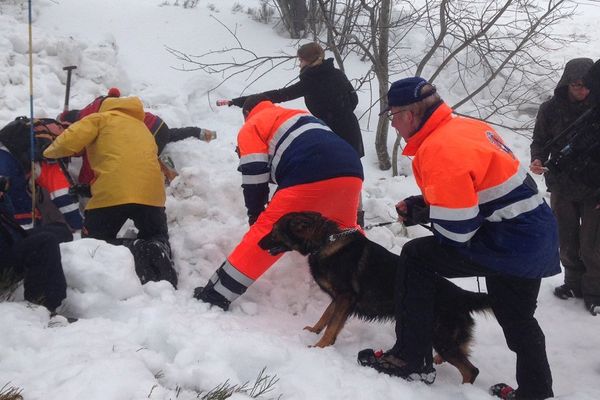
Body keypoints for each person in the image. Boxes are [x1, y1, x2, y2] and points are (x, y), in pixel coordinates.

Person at [357, 77, 559, 400]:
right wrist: (423, 207)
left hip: (508, 241)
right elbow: (475, 193)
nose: (392, 123)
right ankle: (536, 392)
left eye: (392, 115)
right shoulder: (464, 128)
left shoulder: (441, 148)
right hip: (534, 235)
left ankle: (411, 358)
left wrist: (424, 215)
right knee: (517, 317)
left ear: (409, 114)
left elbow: (456, 233)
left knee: (416, 257)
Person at [193, 95, 363, 311]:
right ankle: (373, 286)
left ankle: (216, 295)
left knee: (270, 233)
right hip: (351, 170)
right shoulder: (297, 115)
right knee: (347, 236)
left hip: (310, 170)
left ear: (246, 113)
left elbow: (254, 173)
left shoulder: (252, 124)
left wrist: (255, 213)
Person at [220, 42, 365, 225]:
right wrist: (340, 111)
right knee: (351, 173)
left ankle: (329, 216)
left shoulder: (311, 79)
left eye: (300, 60)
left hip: (325, 132)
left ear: (307, 61)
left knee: (328, 172)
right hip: (349, 127)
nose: (299, 64)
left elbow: (281, 94)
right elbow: (354, 99)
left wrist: (242, 101)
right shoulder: (337, 74)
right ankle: (356, 218)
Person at [43, 96, 178, 288]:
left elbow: (68, 141)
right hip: (152, 195)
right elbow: (130, 167)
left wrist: (47, 151)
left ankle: (135, 249)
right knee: (157, 237)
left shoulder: (101, 118)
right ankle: (164, 281)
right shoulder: (142, 129)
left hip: (114, 194)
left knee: (95, 244)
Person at [530, 57, 600, 316]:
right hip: (561, 184)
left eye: (586, 85)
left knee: (593, 244)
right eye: (576, 85)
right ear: (566, 84)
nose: (582, 90)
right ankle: (573, 283)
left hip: (595, 188)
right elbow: (539, 140)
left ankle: (595, 292)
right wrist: (537, 158)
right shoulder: (550, 109)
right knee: (566, 240)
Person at [58, 87, 217, 187]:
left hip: (145, 135)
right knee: (170, 134)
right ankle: (200, 132)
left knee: (139, 159)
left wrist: (83, 184)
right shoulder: (101, 105)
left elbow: (90, 163)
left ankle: (162, 162)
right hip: (157, 124)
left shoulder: (89, 125)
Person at [1, 178, 72, 314]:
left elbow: (9, 214)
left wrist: (2, 197)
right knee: (45, 242)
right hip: (4, 259)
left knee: (58, 230)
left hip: (9, 240)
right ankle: (43, 305)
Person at [0, 117, 83, 230]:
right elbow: (62, 195)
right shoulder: (49, 153)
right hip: (14, 182)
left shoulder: (24, 135)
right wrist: (81, 226)